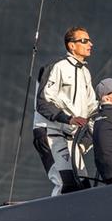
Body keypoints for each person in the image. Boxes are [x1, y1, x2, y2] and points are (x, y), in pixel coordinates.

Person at [33, 27, 98, 196]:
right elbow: (43, 102)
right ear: (72, 46)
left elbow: (92, 107)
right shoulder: (57, 67)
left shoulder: (85, 72)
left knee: (83, 186)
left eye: (90, 40)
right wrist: (67, 119)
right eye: (84, 41)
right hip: (50, 133)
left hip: (72, 138)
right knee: (66, 183)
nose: (90, 44)